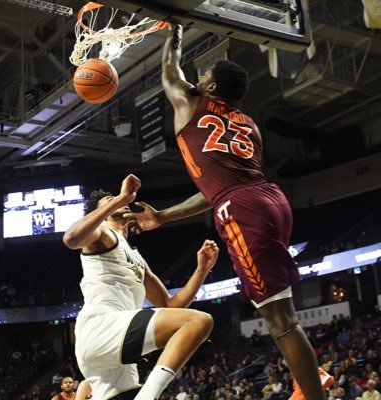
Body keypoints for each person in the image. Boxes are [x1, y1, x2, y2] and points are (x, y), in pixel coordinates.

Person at [123, 24, 330, 400]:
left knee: (281, 321)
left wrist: (175, 30)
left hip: (243, 207)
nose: (198, 79)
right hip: (268, 198)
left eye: (204, 76)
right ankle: (310, 382)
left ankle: (314, 392)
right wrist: (164, 216)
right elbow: (217, 190)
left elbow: (169, 72)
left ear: (213, 88)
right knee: (276, 309)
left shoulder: (190, 104)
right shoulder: (248, 124)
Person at [63, 174, 218, 400]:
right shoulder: (103, 233)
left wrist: (201, 270)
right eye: (109, 200)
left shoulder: (136, 257)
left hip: (115, 354)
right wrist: (120, 198)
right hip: (100, 327)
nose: (119, 199)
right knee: (199, 320)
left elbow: (170, 304)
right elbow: (71, 238)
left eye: (119, 198)